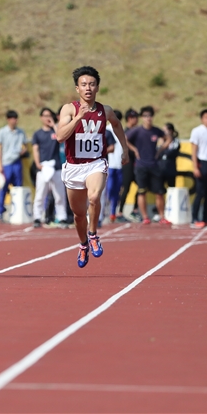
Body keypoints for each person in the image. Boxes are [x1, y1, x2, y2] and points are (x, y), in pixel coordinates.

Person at [57, 66, 129, 268]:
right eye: (83, 85)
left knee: (94, 197)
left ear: (97, 87)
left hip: (96, 163)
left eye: (91, 84)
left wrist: (125, 148)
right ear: (77, 88)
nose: (88, 88)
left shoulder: (105, 111)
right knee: (78, 215)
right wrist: (78, 118)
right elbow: (60, 136)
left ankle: (93, 234)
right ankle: (82, 245)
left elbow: (116, 125)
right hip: (73, 167)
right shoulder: (69, 109)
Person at [125, 106, 167, 225]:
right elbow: (124, 138)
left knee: (159, 192)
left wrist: (160, 150)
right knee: (142, 191)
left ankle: (162, 216)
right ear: (142, 118)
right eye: (145, 116)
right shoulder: (137, 131)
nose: (148, 118)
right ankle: (145, 217)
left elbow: (167, 138)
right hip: (141, 165)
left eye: (150, 116)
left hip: (154, 165)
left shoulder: (156, 131)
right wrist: (135, 150)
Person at [32, 107, 67, 228]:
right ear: (41, 117)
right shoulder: (38, 134)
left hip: (56, 167)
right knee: (40, 194)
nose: (47, 118)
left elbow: (61, 137)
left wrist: (53, 125)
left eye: (49, 116)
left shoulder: (55, 131)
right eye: (45, 116)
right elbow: (35, 149)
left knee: (59, 194)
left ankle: (62, 217)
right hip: (43, 167)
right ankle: (37, 217)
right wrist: (37, 163)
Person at [0, 110, 27, 223]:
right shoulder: (2, 132)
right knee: (3, 187)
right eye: (13, 118)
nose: (15, 121)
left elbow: (25, 146)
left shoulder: (21, 132)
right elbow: (0, 149)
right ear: (8, 119)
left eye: (16, 118)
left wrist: (22, 151)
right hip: (6, 163)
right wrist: (0, 165)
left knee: (18, 188)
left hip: (17, 162)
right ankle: (0, 211)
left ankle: (17, 211)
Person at [189, 109, 207, 228]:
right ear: (202, 119)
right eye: (206, 117)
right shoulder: (197, 131)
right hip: (202, 163)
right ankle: (194, 218)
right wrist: (195, 167)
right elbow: (194, 150)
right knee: (200, 192)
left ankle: (206, 218)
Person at [118, 108, 139, 221]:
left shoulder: (138, 131)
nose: (136, 120)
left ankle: (135, 210)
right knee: (126, 187)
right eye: (134, 117)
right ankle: (120, 212)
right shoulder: (125, 131)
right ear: (129, 119)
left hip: (138, 163)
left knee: (141, 186)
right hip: (127, 163)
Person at [105, 109, 124, 223]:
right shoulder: (105, 130)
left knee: (117, 190)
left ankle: (113, 213)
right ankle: (105, 210)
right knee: (109, 189)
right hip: (109, 164)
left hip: (119, 165)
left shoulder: (120, 130)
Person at [158, 122, 180, 188]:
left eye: (165, 131)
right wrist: (162, 145)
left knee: (171, 188)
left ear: (170, 131)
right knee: (159, 189)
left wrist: (163, 149)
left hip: (170, 168)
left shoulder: (175, 141)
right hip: (160, 168)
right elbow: (157, 153)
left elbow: (171, 153)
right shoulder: (160, 141)